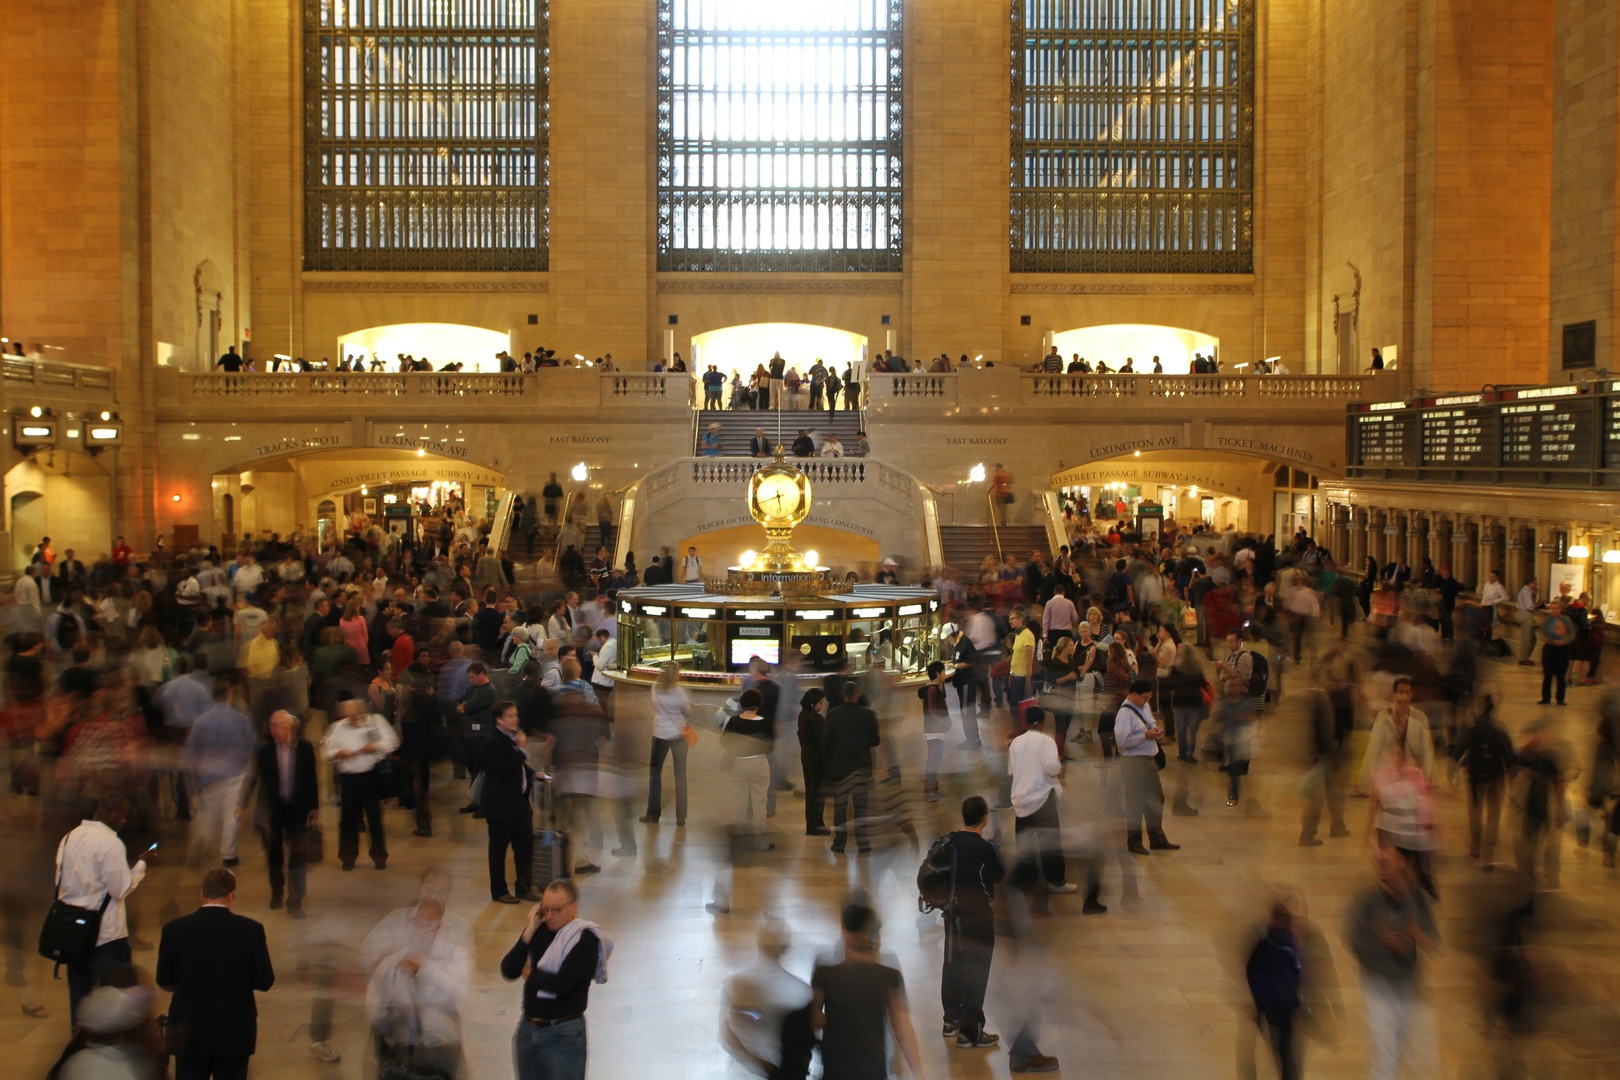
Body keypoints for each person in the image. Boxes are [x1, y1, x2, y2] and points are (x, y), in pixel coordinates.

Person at [156, 868, 276, 1080]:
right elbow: (265, 981)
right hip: (234, 1030)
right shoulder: (251, 930)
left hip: (187, 1031)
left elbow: (163, 979)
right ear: (231, 896)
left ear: (202, 894)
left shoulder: (174, 929)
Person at [361, 869, 473, 1079]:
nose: (433, 897)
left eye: (440, 892)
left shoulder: (459, 930)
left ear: (449, 894)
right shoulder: (395, 920)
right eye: (429, 889)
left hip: (437, 1036)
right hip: (395, 1030)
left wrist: (424, 968)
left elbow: (458, 990)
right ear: (420, 889)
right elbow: (368, 955)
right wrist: (391, 958)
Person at [1345, 844, 1440, 1080]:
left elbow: (1434, 941)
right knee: (1385, 1055)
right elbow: (1355, 941)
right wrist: (1382, 942)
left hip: (1409, 987)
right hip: (1378, 986)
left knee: (1424, 1056)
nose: (1382, 866)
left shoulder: (1417, 899)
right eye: (1380, 863)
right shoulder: (1368, 900)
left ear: (1403, 864)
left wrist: (1417, 935)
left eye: (1388, 861)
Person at [501, 879, 612, 1080]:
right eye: (545, 909)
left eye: (556, 910)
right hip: (528, 1030)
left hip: (563, 1035)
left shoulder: (584, 939)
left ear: (573, 907)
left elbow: (560, 985)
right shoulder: (538, 930)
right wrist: (527, 933)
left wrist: (529, 973)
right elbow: (509, 970)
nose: (549, 916)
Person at [55, 792, 152, 1018]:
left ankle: (81, 1044)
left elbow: (60, 882)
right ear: (108, 813)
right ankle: (113, 1046)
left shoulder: (69, 838)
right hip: (108, 937)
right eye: (122, 816)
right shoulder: (111, 843)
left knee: (80, 999)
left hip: (75, 934)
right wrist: (141, 866)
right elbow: (120, 889)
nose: (124, 821)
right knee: (118, 1001)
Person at [810, 902, 923, 1080]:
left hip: (835, 1067)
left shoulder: (825, 973)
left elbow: (812, 1019)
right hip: (873, 1068)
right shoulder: (888, 976)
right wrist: (918, 1074)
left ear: (843, 927)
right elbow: (903, 1029)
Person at [932, 795, 1005, 1049]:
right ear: (985, 818)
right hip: (978, 919)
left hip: (952, 915)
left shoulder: (947, 842)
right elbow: (999, 874)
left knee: (952, 964)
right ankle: (970, 1032)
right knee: (976, 971)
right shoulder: (986, 849)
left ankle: (951, 1021)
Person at [720, 917, 814, 1080]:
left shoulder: (735, 984)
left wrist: (754, 1060)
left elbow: (726, 1033)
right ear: (786, 947)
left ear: (759, 943)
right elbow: (805, 1047)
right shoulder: (802, 993)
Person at [322, 697, 399, 871]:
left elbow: (393, 742)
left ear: (362, 712)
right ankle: (347, 858)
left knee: (374, 818)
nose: (353, 719)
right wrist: (338, 753)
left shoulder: (376, 722)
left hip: (371, 777)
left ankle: (379, 857)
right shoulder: (337, 728)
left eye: (356, 715)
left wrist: (375, 746)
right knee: (348, 819)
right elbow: (326, 752)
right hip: (349, 780)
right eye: (349, 716)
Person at [1008, 706, 1076, 903]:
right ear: (1043, 722)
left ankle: (1028, 879)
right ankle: (1056, 881)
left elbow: (1012, 771)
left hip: (1020, 798)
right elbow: (1052, 767)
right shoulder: (1046, 741)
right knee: (1051, 840)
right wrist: (1060, 765)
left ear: (1026, 722)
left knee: (1024, 841)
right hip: (1042, 797)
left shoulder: (1015, 743)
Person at [256, 710, 318, 917]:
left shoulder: (305, 749)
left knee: (298, 857)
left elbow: (311, 780)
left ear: (292, 728)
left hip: (296, 809)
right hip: (274, 811)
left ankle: (295, 900)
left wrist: (314, 808)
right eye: (272, 725)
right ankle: (277, 892)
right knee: (274, 856)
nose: (273, 730)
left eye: (278, 725)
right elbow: (261, 785)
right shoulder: (266, 752)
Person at [484, 700, 541, 904]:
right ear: (499, 720)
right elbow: (505, 769)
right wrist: (521, 749)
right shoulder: (493, 741)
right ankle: (499, 890)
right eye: (510, 715)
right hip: (500, 805)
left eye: (516, 715)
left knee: (525, 845)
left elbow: (519, 768)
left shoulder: (511, 739)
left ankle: (524, 886)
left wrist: (534, 774)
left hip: (520, 802)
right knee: (499, 850)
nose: (515, 719)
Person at [1115, 679, 1180, 855]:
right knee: (1135, 803)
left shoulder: (1144, 707)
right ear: (1134, 694)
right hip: (1133, 762)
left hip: (1148, 760)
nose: (1147, 701)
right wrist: (1145, 736)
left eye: (1149, 698)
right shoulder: (1124, 714)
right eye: (1144, 697)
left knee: (1156, 800)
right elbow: (1122, 743)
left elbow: (1148, 726)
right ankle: (1134, 842)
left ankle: (1158, 839)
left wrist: (1154, 731)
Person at [1451, 696, 1516, 863]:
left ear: (1479, 708)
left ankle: (1475, 845)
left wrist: (1452, 772)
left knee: (1475, 811)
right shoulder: (1499, 729)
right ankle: (1489, 852)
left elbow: (1458, 751)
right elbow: (1509, 755)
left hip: (1475, 775)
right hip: (1496, 775)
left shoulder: (1471, 728)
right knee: (1494, 814)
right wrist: (1511, 777)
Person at [1246, 901, 1306, 1080]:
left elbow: (1250, 970)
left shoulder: (1265, 943)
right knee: (1285, 1053)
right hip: (1280, 1006)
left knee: (1279, 1051)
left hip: (1269, 1004)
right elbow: (1296, 971)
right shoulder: (1287, 944)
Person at [822, 682, 881, 855]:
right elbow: (875, 741)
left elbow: (826, 740)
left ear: (843, 695)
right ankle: (863, 842)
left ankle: (840, 843)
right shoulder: (869, 714)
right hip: (861, 766)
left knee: (840, 807)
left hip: (839, 768)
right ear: (857, 694)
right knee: (861, 807)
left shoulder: (833, 714)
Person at [643, 662, 690, 826]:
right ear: (675, 674)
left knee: (655, 775)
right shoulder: (678, 692)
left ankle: (652, 814)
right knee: (680, 776)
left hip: (660, 734)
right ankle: (681, 817)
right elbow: (686, 711)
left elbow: (656, 708)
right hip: (678, 735)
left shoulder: (654, 689)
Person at [796, 688, 830, 835]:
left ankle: (814, 825)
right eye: (820, 703)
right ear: (813, 702)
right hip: (817, 759)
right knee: (817, 794)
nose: (822, 706)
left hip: (806, 756)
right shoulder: (816, 718)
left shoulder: (802, 715)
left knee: (811, 793)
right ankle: (816, 827)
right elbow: (824, 738)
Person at [918, 661, 951, 800]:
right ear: (937, 674)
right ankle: (929, 791)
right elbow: (932, 710)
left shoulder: (936, 688)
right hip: (934, 730)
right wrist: (944, 722)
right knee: (933, 759)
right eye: (943, 672)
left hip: (937, 729)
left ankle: (934, 788)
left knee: (936, 758)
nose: (945, 674)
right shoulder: (932, 689)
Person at [1538, 599, 1575, 705]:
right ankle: (1546, 697)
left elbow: (1572, 633)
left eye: (1556, 609)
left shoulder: (1566, 620)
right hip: (1550, 647)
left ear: (1561, 609)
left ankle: (1560, 698)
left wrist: (1564, 641)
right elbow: (1543, 633)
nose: (1553, 611)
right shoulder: (1547, 620)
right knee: (1548, 674)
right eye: (1552, 609)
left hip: (1563, 649)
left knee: (1561, 674)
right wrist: (1550, 640)